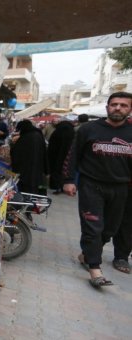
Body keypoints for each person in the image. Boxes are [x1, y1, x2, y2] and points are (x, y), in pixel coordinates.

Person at [63, 91, 132, 288]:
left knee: (109, 229)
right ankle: (95, 270)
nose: (118, 108)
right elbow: (72, 155)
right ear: (107, 107)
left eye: (123, 105)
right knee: (93, 227)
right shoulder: (89, 129)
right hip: (91, 185)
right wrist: (68, 180)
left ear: (130, 109)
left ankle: (87, 255)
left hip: (120, 188)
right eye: (114, 104)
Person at [10, 120, 47, 195]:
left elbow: (16, 154)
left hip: (25, 173)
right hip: (37, 171)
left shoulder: (25, 138)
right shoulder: (38, 134)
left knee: (26, 193)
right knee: (34, 191)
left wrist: (13, 144)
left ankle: (27, 205)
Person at [47, 120, 75, 194]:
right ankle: (65, 186)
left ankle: (56, 186)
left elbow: (51, 144)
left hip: (56, 155)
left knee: (56, 170)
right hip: (69, 155)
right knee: (66, 170)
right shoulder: (72, 132)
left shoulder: (57, 132)